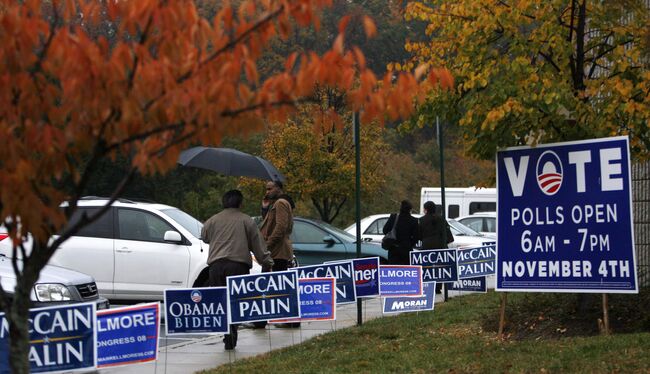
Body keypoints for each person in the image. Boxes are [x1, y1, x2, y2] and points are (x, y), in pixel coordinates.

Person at [201, 189, 273, 350]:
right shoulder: (246, 221)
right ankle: (232, 333)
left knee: (222, 302)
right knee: (236, 302)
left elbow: (205, 237)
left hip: (216, 267)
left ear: (224, 203)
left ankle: (227, 334)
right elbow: (258, 245)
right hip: (237, 267)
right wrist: (267, 262)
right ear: (240, 203)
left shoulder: (212, 220)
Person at [259, 180, 299, 328]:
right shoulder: (275, 204)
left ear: (278, 188)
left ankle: (289, 320)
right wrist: (264, 209)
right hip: (277, 250)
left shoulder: (281, 203)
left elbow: (280, 227)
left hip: (278, 251)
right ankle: (284, 319)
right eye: (266, 189)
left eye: (270, 189)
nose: (267, 192)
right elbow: (269, 224)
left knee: (281, 286)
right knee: (279, 285)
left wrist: (267, 245)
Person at [419, 200, 453, 294]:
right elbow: (449, 237)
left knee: (427, 267)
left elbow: (419, 236)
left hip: (426, 247)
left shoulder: (421, 220)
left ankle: (428, 285)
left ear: (425, 210)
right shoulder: (442, 219)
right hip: (440, 247)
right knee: (440, 267)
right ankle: (438, 287)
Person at [382, 200, 419, 265]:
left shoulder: (393, 217)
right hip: (406, 249)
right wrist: (409, 244)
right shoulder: (414, 220)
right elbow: (416, 237)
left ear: (400, 208)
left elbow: (385, 230)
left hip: (393, 248)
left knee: (394, 270)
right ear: (410, 209)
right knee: (406, 270)